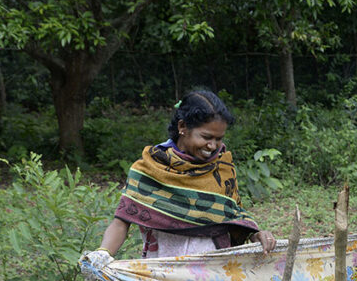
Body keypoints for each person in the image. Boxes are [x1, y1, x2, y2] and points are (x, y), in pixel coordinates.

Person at [93, 89, 276, 261]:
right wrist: (102, 254)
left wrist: (255, 233)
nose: (212, 146)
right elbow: (121, 222)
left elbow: (232, 213)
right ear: (182, 127)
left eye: (218, 139)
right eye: (206, 137)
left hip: (212, 271)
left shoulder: (222, 167)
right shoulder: (150, 168)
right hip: (162, 268)